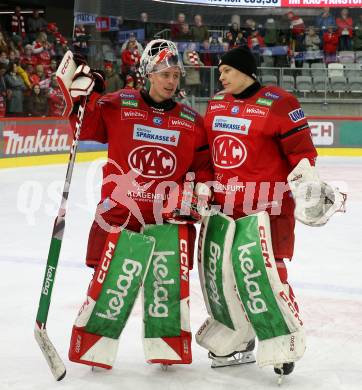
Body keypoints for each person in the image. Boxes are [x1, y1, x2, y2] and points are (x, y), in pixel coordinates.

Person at [60, 40, 212, 370]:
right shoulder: (118, 104)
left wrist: (197, 190)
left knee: (167, 290)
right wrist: (81, 98)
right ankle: (94, 348)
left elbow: (203, 166)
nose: (172, 81)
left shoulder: (190, 119)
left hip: (167, 220)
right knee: (110, 285)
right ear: (147, 74)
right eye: (164, 74)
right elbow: (86, 128)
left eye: (175, 75)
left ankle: (167, 349)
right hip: (120, 214)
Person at [197, 46, 345, 380]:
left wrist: (308, 185)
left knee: (266, 276)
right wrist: (204, 185)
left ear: (245, 71)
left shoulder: (281, 104)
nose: (220, 77)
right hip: (225, 210)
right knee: (225, 278)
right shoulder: (217, 103)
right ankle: (239, 336)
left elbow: (303, 156)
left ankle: (283, 340)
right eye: (220, 71)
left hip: (268, 210)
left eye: (226, 70)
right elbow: (209, 155)